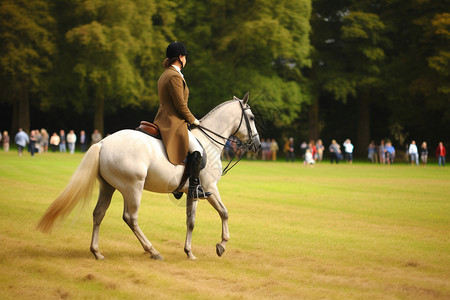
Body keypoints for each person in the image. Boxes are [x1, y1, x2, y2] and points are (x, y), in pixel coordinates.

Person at [153, 41, 210, 200]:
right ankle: (193, 188)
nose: (186, 60)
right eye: (185, 57)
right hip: (173, 122)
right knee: (197, 150)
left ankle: (181, 185)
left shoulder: (165, 74)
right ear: (180, 57)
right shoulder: (174, 76)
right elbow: (180, 105)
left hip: (163, 119)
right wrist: (194, 120)